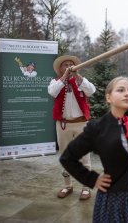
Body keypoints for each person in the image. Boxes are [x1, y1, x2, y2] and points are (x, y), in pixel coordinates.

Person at [60, 29, 128, 222]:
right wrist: (93, 179)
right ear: (108, 97)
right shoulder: (97, 128)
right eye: (121, 90)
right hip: (114, 198)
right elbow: (68, 158)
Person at [48, 55, 96, 200]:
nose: (68, 66)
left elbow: (91, 91)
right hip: (63, 125)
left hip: (81, 123)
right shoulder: (55, 82)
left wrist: (77, 75)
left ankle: (86, 186)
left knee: (84, 156)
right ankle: (67, 185)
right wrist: (64, 77)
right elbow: (52, 92)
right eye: (65, 65)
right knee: (65, 156)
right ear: (60, 69)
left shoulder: (81, 81)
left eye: (71, 64)